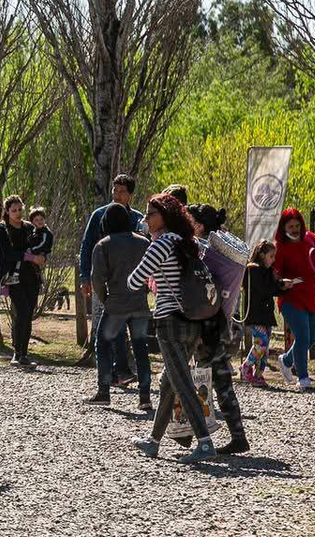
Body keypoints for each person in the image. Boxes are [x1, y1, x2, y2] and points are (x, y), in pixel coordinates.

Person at [128, 193, 217, 463]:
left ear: (164, 216)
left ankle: (204, 442)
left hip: (169, 321)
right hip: (193, 320)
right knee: (169, 381)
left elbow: (135, 280)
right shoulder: (186, 242)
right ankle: (153, 441)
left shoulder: (162, 243)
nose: (145, 220)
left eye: (150, 214)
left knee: (181, 380)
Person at [183, 203, 250, 455]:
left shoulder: (205, 252)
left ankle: (194, 436)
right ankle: (238, 435)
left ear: (199, 226)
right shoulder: (226, 252)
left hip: (207, 327)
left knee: (198, 382)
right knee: (222, 382)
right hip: (225, 325)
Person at [86, 203, 152, 409]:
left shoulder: (103, 245)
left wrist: (106, 298)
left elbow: (97, 278)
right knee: (141, 349)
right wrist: (143, 293)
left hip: (115, 305)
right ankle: (145, 397)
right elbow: (152, 274)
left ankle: (104, 390)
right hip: (140, 305)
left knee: (103, 344)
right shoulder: (144, 243)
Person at [77, 174, 142, 383]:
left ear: (130, 195)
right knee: (110, 328)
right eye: (115, 190)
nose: (117, 195)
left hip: (133, 284)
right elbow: (87, 246)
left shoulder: (137, 219)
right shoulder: (99, 216)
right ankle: (116, 371)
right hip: (106, 281)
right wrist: (85, 276)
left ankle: (125, 371)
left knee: (132, 329)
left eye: (122, 191)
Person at [273, 207, 315, 390]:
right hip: (291, 299)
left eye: (297, 225)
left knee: (311, 339)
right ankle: (303, 377)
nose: (294, 229)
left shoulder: (310, 238)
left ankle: (286, 360)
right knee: (301, 337)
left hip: (311, 296)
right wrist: (283, 282)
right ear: (283, 227)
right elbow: (275, 274)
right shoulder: (281, 247)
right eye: (290, 226)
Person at [0, 195, 42, 367]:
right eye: (13, 210)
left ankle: (24, 353)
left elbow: (41, 244)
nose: (17, 213)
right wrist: (30, 257)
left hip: (31, 276)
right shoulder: (2, 229)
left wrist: (41, 256)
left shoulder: (29, 228)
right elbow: (8, 254)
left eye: (19, 210)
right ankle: (17, 352)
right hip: (13, 277)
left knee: (28, 314)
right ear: (7, 211)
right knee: (21, 311)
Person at [239, 240, 290, 387]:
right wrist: (279, 284)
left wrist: (285, 286)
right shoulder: (252, 271)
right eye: (271, 256)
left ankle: (259, 374)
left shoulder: (268, 272)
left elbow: (273, 290)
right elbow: (265, 289)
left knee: (265, 348)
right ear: (262, 255)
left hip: (266, 314)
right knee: (261, 343)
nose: (273, 260)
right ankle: (246, 368)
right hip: (255, 315)